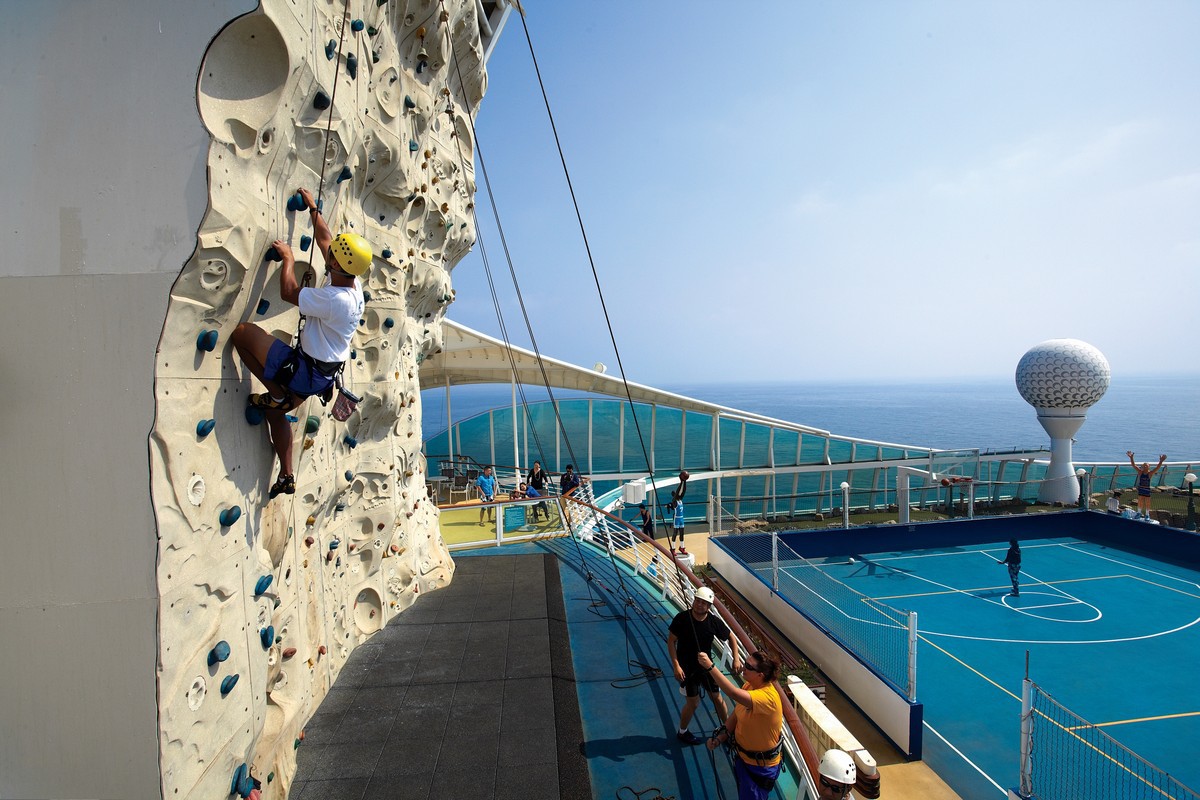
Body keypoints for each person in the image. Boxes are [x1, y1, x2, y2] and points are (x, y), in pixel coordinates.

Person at [231, 187, 369, 499]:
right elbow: (325, 240)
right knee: (276, 413)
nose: (329, 252)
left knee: (242, 334)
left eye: (333, 254)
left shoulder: (335, 299)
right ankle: (287, 475)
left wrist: (289, 259)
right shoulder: (353, 282)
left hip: (305, 372)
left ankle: (278, 392)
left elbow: (289, 292)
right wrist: (314, 210)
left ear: (336, 263)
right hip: (320, 374)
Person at [697, 649, 784, 800]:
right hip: (744, 758)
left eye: (749, 667)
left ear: (760, 675)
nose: (744, 667)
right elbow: (736, 714)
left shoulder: (767, 698)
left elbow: (732, 693)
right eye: (745, 663)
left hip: (760, 768)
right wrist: (721, 737)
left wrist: (710, 667)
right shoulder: (750, 686)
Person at [667, 586, 740, 746]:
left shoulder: (713, 622)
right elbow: (671, 641)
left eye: (704, 603)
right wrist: (676, 666)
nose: (699, 605)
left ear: (709, 606)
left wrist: (736, 658)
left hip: (707, 667)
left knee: (717, 698)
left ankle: (726, 729)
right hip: (687, 669)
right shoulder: (682, 618)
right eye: (697, 601)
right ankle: (682, 732)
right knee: (693, 703)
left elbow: (731, 638)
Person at [1127, 451, 1167, 520]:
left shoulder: (1150, 473)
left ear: (1149, 467)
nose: (1145, 466)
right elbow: (1133, 465)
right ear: (1142, 466)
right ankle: (1139, 513)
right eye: (1144, 465)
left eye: (1146, 465)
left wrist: (1161, 461)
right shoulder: (1140, 472)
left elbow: (1157, 468)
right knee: (1140, 501)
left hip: (1147, 489)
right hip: (1141, 488)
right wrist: (1131, 458)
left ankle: (1147, 515)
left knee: (1147, 502)